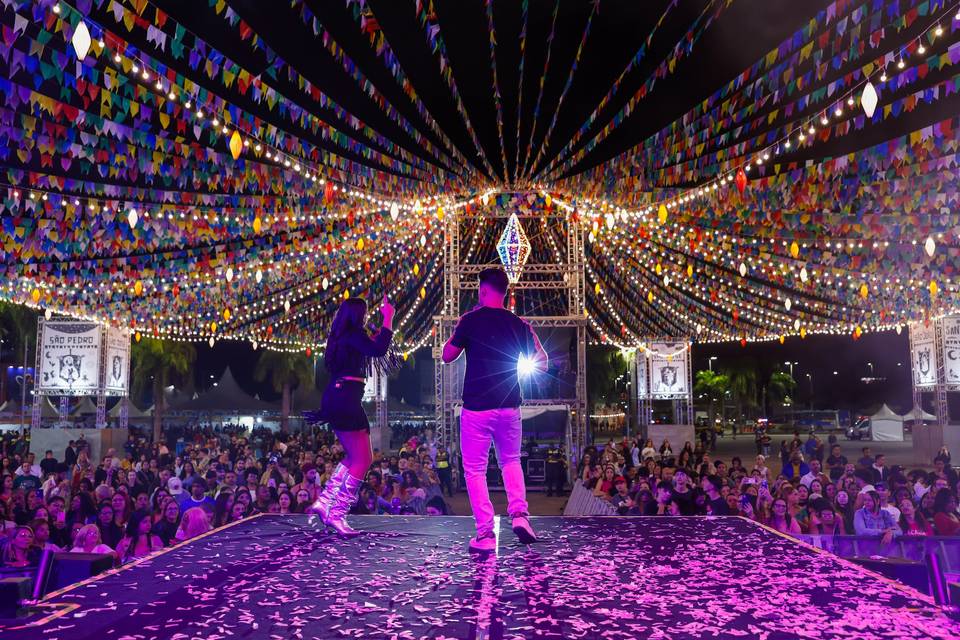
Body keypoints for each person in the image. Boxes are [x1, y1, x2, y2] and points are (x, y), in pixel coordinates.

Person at [442, 267, 546, 552]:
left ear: (483, 290)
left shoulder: (470, 320)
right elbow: (543, 361)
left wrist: (457, 332)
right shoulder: (518, 323)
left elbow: (447, 355)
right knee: (510, 461)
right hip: (510, 406)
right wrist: (532, 335)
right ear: (506, 292)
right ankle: (520, 515)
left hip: (477, 408)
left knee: (475, 470)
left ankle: (486, 534)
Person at [305, 295, 395, 537]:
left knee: (355, 457)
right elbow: (378, 350)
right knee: (363, 460)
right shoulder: (353, 335)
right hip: (345, 399)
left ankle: (325, 502)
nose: (366, 318)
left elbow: (366, 348)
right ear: (358, 315)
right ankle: (337, 513)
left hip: (339, 396)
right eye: (364, 314)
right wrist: (388, 319)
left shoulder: (341, 337)